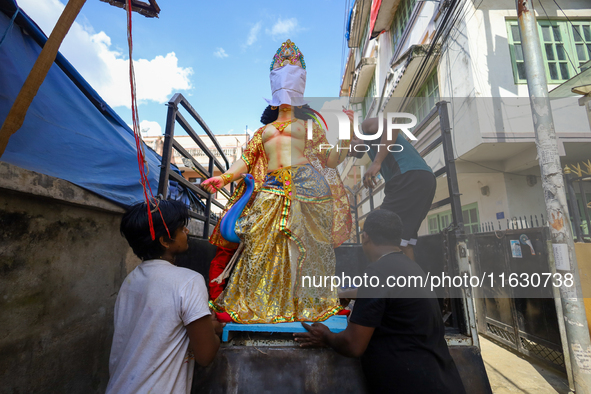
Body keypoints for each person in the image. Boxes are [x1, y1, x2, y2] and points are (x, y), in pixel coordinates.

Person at [201, 40, 352, 323]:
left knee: (312, 248)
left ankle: (315, 305)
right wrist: (223, 177)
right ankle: (257, 303)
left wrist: (345, 132)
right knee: (259, 246)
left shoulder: (310, 127)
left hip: (308, 186)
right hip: (271, 188)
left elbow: (330, 160)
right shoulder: (263, 131)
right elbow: (245, 161)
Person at [293, 210, 465, 394]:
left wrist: (325, 336)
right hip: (442, 380)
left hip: (410, 384)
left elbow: (353, 345)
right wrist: (345, 293)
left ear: (365, 237)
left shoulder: (376, 272)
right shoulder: (411, 267)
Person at [106, 199, 223, 394]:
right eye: (181, 228)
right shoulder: (188, 281)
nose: (187, 232)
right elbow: (206, 354)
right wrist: (213, 330)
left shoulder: (131, 280)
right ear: (164, 240)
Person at [351, 116, 436, 261]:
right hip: (424, 179)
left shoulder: (366, 126)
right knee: (403, 242)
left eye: (346, 150)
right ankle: (412, 284)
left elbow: (393, 125)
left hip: (409, 177)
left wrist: (377, 163)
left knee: (377, 232)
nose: (349, 154)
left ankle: (382, 280)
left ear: (351, 138)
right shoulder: (374, 146)